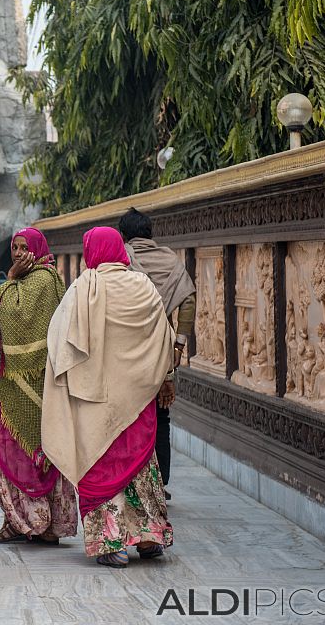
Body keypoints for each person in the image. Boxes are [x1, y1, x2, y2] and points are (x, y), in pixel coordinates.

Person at [43, 227, 175, 568]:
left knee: (101, 465)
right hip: (137, 398)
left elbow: (59, 346)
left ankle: (111, 543)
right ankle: (148, 537)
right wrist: (159, 378)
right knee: (140, 463)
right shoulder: (144, 286)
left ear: (91, 252)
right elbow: (164, 338)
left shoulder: (84, 288)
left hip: (96, 400)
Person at [0, 228, 78, 545]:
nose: (19, 253)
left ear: (38, 249)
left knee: (37, 453)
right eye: (15, 248)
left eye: (25, 247)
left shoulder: (44, 280)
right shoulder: (24, 282)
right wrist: (13, 281)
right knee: (7, 452)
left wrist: (11, 278)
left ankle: (44, 523)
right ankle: (20, 520)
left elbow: (16, 318)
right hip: (16, 386)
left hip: (38, 384)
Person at [118, 207, 196, 500]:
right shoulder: (170, 259)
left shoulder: (122, 259)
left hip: (128, 351)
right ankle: (159, 482)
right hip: (163, 351)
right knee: (161, 415)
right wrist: (179, 344)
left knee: (129, 417)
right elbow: (188, 299)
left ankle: (132, 479)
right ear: (150, 234)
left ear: (123, 235)